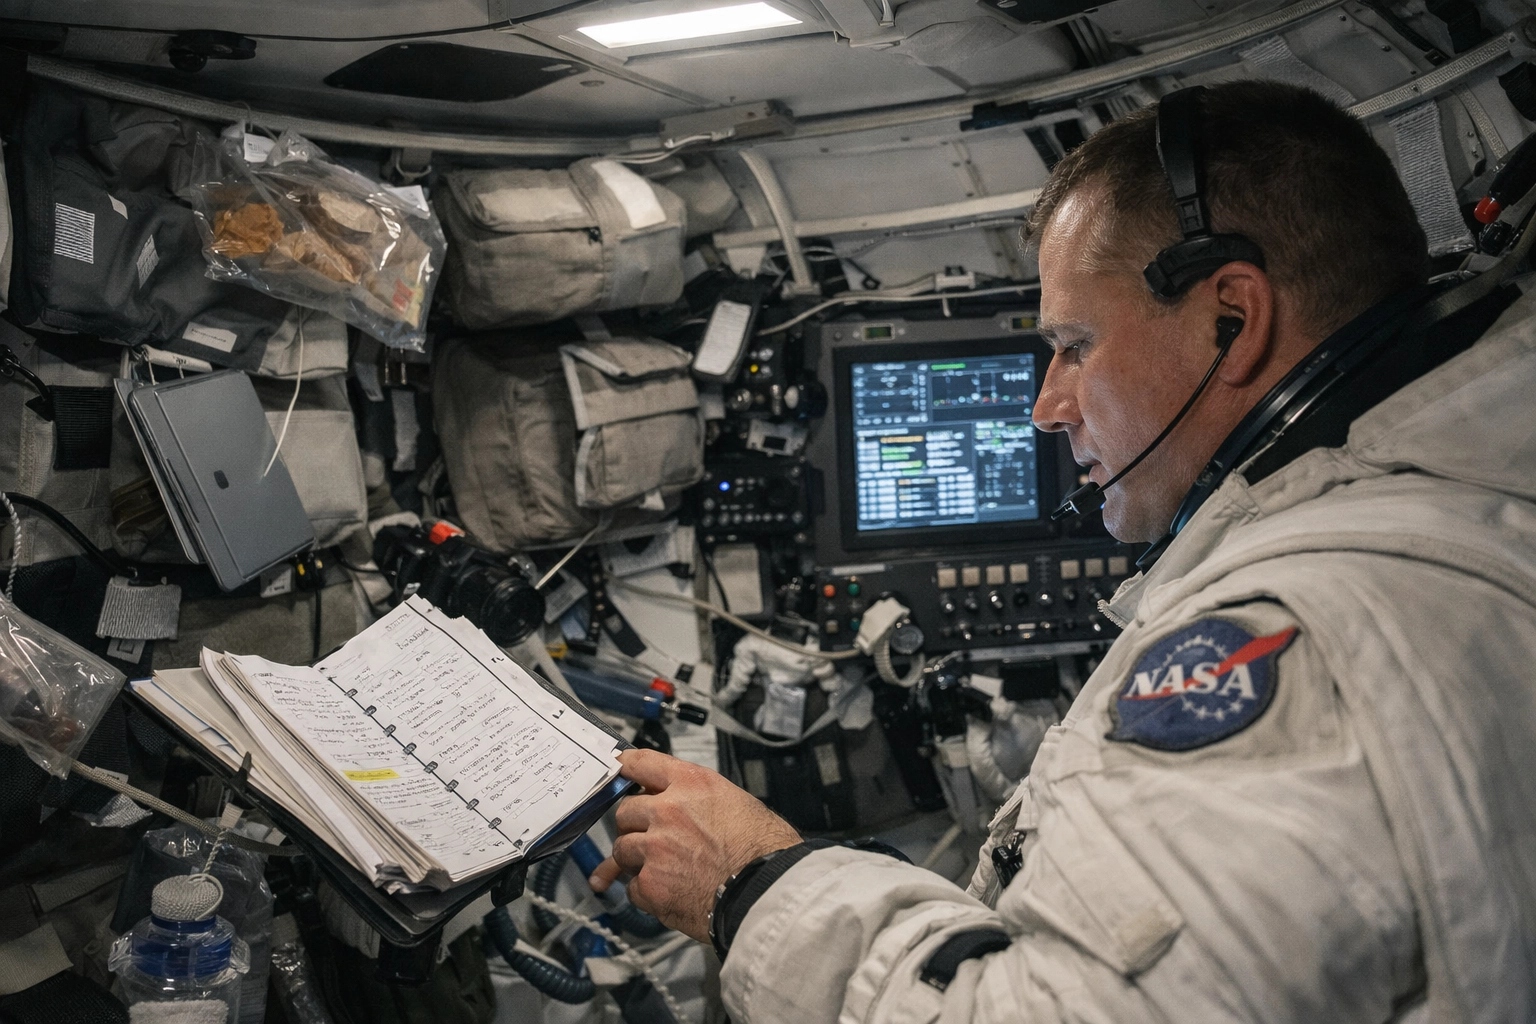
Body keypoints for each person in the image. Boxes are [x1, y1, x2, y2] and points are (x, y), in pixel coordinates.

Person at [590, 80, 1536, 1022]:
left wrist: (756, 885)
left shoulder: (1284, 642)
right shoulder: (1469, 511)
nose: (1047, 405)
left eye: (1074, 345)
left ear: (1233, 321)